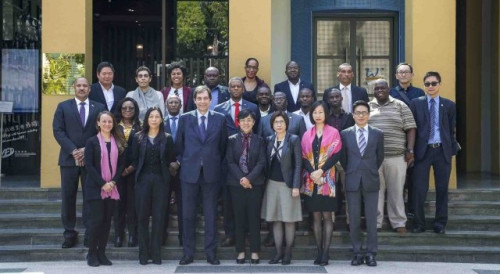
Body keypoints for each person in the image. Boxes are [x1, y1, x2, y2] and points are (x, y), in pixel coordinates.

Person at [176, 86, 228, 266]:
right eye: (199, 98)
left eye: (206, 98)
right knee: (188, 215)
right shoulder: (185, 119)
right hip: (189, 174)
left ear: (210, 100)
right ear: (195, 100)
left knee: (211, 215)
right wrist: (188, 163)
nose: (203, 101)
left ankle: (211, 254)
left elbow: (222, 147)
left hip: (211, 174)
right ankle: (187, 254)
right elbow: (179, 146)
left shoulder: (220, 119)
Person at [53, 77, 107, 249]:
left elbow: (104, 129)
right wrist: (73, 150)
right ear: (73, 87)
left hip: (90, 160)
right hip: (69, 160)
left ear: (90, 89)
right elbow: (58, 131)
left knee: (90, 198)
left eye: (85, 86)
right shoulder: (63, 107)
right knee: (68, 198)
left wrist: (86, 149)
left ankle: (89, 234)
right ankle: (69, 234)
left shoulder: (99, 107)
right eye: (79, 85)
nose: (82, 88)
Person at [214, 77, 261, 247]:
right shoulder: (219, 109)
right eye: (232, 86)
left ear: (243, 89)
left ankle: (247, 234)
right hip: (228, 163)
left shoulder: (253, 107)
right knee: (228, 202)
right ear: (228, 89)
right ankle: (230, 234)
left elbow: (259, 133)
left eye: (238, 86)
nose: (235, 89)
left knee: (248, 202)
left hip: (250, 163)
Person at [410, 71, 458, 235]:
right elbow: (412, 129)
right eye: (427, 84)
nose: (430, 86)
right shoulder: (416, 103)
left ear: (439, 85)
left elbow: (451, 129)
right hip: (422, 151)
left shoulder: (449, 105)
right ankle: (418, 223)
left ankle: (440, 224)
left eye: (434, 83)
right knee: (419, 189)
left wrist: (450, 150)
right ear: (424, 85)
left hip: (442, 151)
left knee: (442, 189)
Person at [368, 79, 416, 233]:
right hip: (374, 159)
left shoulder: (400, 105)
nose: (380, 90)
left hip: (396, 157)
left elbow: (411, 128)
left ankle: (399, 222)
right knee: (376, 192)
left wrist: (410, 150)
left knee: (396, 191)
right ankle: (376, 223)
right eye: (377, 88)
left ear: (389, 89)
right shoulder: (368, 107)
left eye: (383, 87)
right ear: (373, 91)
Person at [340, 100, 384, 267]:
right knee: (354, 218)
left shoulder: (378, 133)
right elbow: (343, 159)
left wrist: (369, 169)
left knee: (372, 219)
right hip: (352, 179)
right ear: (353, 115)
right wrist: (353, 170)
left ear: (368, 115)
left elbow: (380, 157)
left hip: (371, 179)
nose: (361, 115)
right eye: (357, 113)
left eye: (364, 113)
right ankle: (357, 252)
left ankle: (371, 253)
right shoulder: (345, 134)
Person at [130, 107, 175, 265]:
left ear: (161, 119)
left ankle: (156, 253)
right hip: (142, 181)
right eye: (151, 116)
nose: (154, 119)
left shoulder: (167, 138)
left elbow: (171, 159)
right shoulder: (137, 137)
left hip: (161, 181)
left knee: (158, 217)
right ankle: (143, 253)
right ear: (147, 119)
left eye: (157, 117)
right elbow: (134, 160)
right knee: (142, 217)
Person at [300, 101, 342, 266]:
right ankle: (319, 251)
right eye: (315, 112)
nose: (317, 115)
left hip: (327, 180)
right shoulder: (306, 134)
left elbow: (336, 155)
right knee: (315, 217)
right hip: (311, 181)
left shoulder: (334, 132)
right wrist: (312, 173)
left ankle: (326, 253)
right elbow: (304, 156)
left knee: (327, 217)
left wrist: (321, 171)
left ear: (326, 114)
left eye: (320, 112)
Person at [84, 111, 126, 266]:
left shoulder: (118, 141)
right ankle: (91, 254)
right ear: (98, 123)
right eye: (104, 121)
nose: (107, 124)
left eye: (110, 121)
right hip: (96, 188)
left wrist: (113, 182)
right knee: (96, 221)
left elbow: (122, 164)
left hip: (112, 188)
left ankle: (102, 253)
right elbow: (89, 166)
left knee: (107, 222)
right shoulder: (91, 142)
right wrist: (103, 183)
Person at [225, 109, 266, 264]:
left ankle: (255, 251)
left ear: (253, 122)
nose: (246, 123)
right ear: (238, 123)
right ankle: (240, 251)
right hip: (236, 185)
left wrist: (249, 179)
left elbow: (262, 162)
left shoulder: (260, 140)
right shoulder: (231, 140)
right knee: (239, 218)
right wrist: (242, 179)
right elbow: (229, 161)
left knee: (254, 218)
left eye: (249, 120)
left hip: (255, 185)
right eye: (243, 120)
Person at [261, 111, 302, 265]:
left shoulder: (293, 139)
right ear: (272, 125)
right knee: (276, 219)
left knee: (289, 220)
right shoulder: (269, 139)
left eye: (281, 122)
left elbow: (298, 164)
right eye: (276, 122)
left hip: (288, 185)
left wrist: (296, 185)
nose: (279, 124)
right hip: (271, 184)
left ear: (286, 124)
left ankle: (288, 253)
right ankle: (278, 253)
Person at [389, 63, 425, 217]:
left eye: (406, 72)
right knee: (397, 176)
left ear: (412, 75)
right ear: (396, 75)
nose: (403, 75)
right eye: (400, 72)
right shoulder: (390, 93)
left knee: (414, 174)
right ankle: (397, 209)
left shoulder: (419, 92)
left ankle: (412, 207)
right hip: (396, 138)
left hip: (416, 137)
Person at [113, 97, 142, 247]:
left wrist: (132, 167)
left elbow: (142, 151)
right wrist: (119, 170)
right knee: (118, 206)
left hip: (134, 172)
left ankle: (132, 235)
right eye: (124, 108)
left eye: (131, 108)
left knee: (132, 205)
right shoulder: (113, 126)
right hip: (116, 173)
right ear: (120, 110)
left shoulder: (141, 127)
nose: (127, 111)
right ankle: (118, 235)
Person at [325, 87, 355, 228]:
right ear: (328, 100)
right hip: (328, 159)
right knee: (329, 191)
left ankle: (351, 221)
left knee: (348, 190)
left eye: (337, 97)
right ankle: (330, 221)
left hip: (345, 159)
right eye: (332, 97)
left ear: (342, 98)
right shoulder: (324, 118)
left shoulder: (349, 117)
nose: (335, 99)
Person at [162, 94, 183, 246]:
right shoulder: (160, 123)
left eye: (176, 102)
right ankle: (162, 235)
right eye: (171, 103)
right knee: (162, 204)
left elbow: (191, 143)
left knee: (183, 206)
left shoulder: (187, 121)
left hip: (183, 169)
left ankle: (183, 236)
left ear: (181, 105)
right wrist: (169, 163)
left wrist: (179, 162)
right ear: (166, 105)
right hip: (164, 169)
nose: (174, 105)